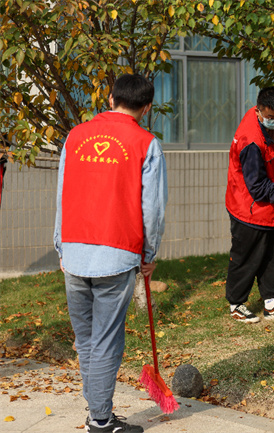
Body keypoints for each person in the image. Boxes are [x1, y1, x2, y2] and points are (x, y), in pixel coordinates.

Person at [54, 74, 167, 433]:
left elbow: (61, 194)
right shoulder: (146, 144)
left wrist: (61, 245)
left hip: (74, 252)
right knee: (104, 341)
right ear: (146, 108)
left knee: (87, 339)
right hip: (116, 254)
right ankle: (100, 420)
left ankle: (97, 413)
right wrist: (149, 253)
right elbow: (153, 209)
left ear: (110, 98)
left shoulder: (75, 136)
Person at [225, 87, 274, 323]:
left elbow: (272, 145)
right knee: (247, 257)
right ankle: (237, 304)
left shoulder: (268, 127)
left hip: (269, 208)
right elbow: (256, 186)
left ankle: (271, 302)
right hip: (248, 208)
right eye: (271, 117)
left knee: (273, 252)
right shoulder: (250, 142)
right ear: (259, 111)